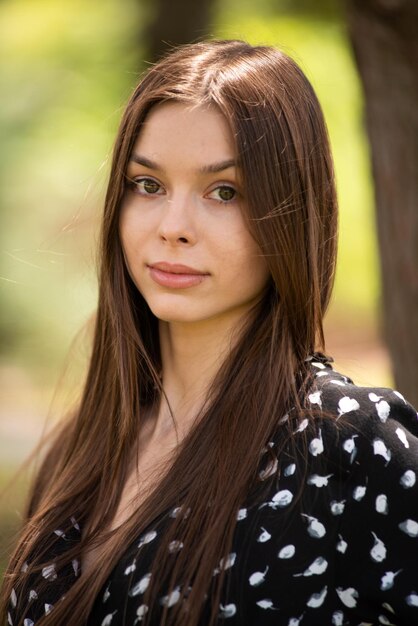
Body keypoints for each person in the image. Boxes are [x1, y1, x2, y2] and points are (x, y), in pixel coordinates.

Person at [2, 39, 418, 626]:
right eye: (148, 185)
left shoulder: (348, 446)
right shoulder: (83, 452)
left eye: (224, 192)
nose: (173, 227)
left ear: (291, 213)